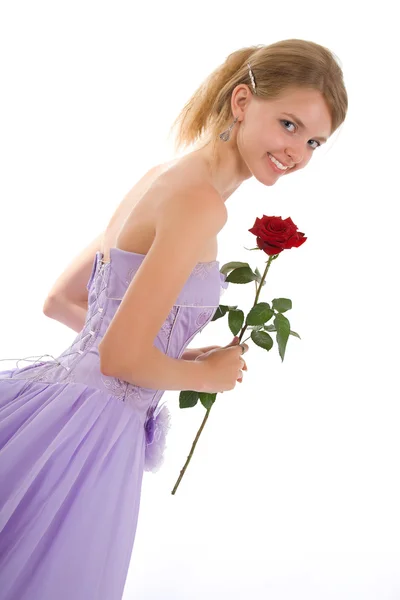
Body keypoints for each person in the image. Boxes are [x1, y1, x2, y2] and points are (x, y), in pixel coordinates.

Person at [0, 38, 348, 599]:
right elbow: (119, 357)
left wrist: (176, 357)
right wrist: (205, 376)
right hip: (86, 438)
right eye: (288, 124)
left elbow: (64, 301)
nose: (298, 152)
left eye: (313, 141)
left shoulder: (163, 176)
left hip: (58, 407)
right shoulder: (200, 203)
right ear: (241, 102)